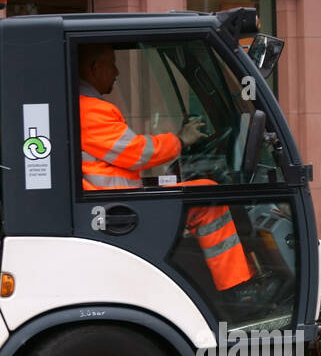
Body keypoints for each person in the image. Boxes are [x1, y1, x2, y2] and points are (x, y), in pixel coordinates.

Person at [78, 44, 251, 290]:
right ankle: (237, 287)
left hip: (114, 204)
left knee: (199, 190)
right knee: (208, 197)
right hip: (119, 210)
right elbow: (136, 152)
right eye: (112, 64)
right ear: (94, 67)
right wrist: (179, 141)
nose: (117, 72)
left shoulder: (84, 106)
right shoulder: (90, 109)